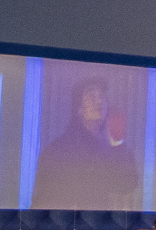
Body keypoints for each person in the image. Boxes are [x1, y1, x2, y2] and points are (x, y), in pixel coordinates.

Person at [32, 79, 138, 210]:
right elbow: (43, 203)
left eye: (102, 96)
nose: (99, 101)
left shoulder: (109, 146)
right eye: (91, 96)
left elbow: (127, 184)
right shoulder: (59, 150)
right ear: (79, 108)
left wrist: (117, 141)